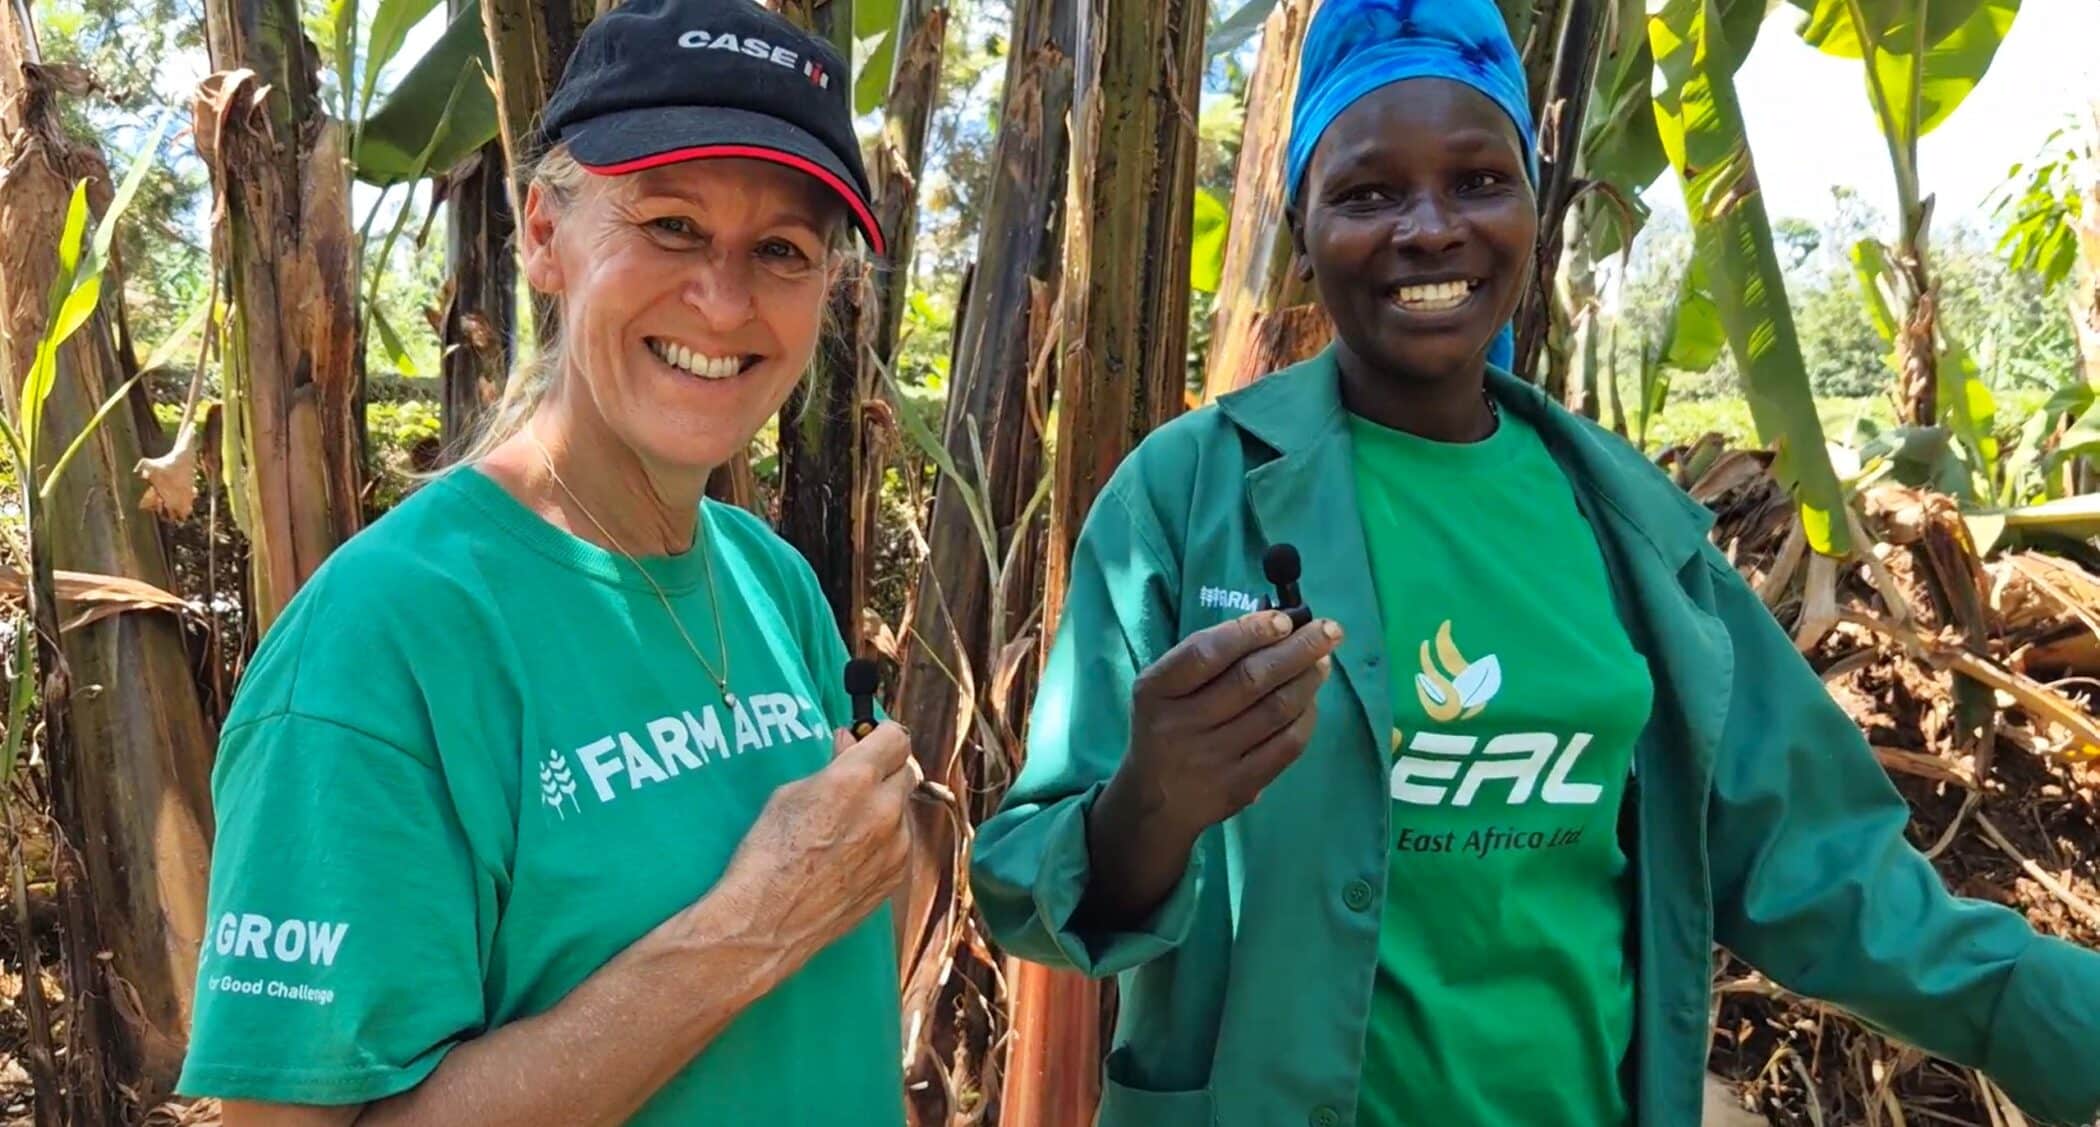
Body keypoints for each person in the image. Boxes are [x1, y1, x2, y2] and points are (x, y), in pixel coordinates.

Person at [969, 1, 2100, 1125]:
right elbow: (1022, 881)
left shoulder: (1631, 530)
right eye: (1367, 193)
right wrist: (1149, 804)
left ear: (1531, 211)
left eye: (1476, 180)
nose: (1429, 227)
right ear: (1302, 233)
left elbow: (1835, 876)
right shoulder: (1183, 497)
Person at [177, 1, 919, 1123]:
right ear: (542, 234)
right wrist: (749, 925)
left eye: (781, 250)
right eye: (670, 225)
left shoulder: (774, 586)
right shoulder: (385, 641)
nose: (724, 301)